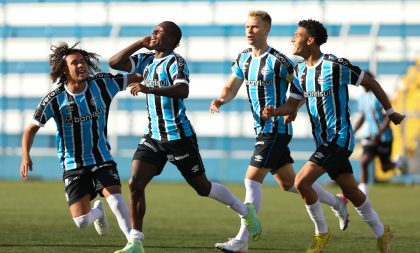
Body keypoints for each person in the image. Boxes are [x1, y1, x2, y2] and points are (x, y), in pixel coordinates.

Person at [108, 21, 261, 253]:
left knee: (202, 187)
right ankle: (136, 241)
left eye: (159, 32)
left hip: (179, 137)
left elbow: (183, 90)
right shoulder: (146, 59)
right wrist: (140, 43)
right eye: (153, 31)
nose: (153, 34)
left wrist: (150, 88)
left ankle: (245, 212)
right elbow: (114, 62)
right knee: (135, 183)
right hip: (153, 137)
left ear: (172, 41)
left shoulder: (176, 62)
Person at [210, 11, 349, 253]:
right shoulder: (243, 59)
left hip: (276, 129)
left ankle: (241, 241)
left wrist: (293, 109)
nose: (249, 31)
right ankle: (336, 202)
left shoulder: (279, 60)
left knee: (251, 179)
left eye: (254, 27)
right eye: (247, 27)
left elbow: (305, 84)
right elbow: (230, 86)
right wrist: (221, 100)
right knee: (289, 183)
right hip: (261, 130)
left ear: (266, 29)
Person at [262, 19, 405, 253]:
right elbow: (292, 104)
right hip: (323, 141)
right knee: (351, 191)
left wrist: (391, 113)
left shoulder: (334, 66)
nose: (292, 39)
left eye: (297, 35)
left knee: (301, 182)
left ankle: (321, 233)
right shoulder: (299, 71)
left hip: (339, 138)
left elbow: (371, 82)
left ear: (310, 40)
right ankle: (382, 232)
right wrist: (275, 112)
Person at [20, 42, 143, 242]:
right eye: (75, 63)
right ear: (65, 70)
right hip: (73, 164)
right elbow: (30, 129)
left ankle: (133, 242)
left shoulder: (102, 83)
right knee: (82, 221)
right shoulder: (54, 99)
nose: (81, 65)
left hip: (101, 156)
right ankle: (97, 213)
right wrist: (25, 156)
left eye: (83, 61)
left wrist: (155, 71)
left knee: (116, 198)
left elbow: (134, 77)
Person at [353, 70, 404, 196]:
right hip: (369, 136)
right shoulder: (362, 98)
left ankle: (397, 163)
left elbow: (388, 115)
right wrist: (352, 131)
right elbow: (363, 116)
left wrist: (380, 132)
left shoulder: (379, 95)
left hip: (384, 137)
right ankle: (363, 193)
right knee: (364, 161)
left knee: (385, 167)